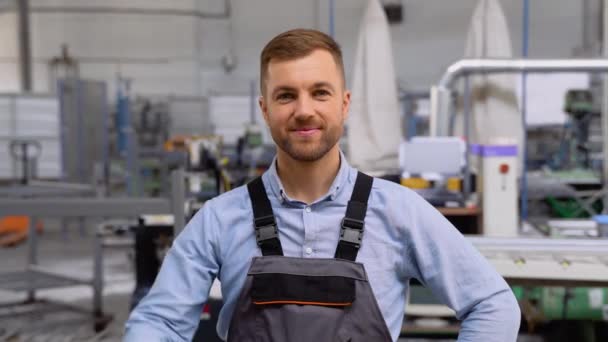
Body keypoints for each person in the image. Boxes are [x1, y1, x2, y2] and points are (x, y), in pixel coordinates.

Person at [125, 28, 520, 342]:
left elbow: (492, 304)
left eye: (320, 92)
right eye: (285, 96)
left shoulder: (399, 212)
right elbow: (158, 322)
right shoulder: (218, 220)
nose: (304, 110)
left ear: (344, 104)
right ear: (264, 109)